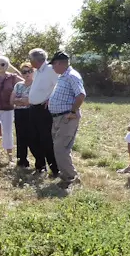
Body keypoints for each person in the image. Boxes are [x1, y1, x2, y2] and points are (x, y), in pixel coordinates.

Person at [47, 51, 85, 186]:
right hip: (58, 117)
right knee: (59, 148)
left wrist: (73, 111)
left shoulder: (72, 76)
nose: (52, 67)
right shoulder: (63, 76)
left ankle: (72, 177)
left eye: (53, 64)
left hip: (67, 117)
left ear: (60, 63)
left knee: (60, 148)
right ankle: (66, 175)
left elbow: (81, 95)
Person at [26, 48, 60, 176]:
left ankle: (55, 168)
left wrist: (50, 98)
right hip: (33, 108)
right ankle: (40, 165)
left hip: (44, 109)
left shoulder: (50, 70)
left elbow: (58, 85)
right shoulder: (38, 71)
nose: (30, 62)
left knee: (46, 139)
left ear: (36, 60)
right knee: (32, 138)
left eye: (31, 59)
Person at [11, 62, 35, 169]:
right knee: (20, 136)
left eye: (29, 71)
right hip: (19, 113)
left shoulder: (36, 85)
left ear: (33, 72)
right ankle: (22, 159)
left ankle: (39, 161)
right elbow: (12, 100)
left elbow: (31, 101)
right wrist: (22, 100)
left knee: (32, 137)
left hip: (31, 113)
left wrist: (20, 100)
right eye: (24, 72)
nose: (27, 74)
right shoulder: (18, 85)